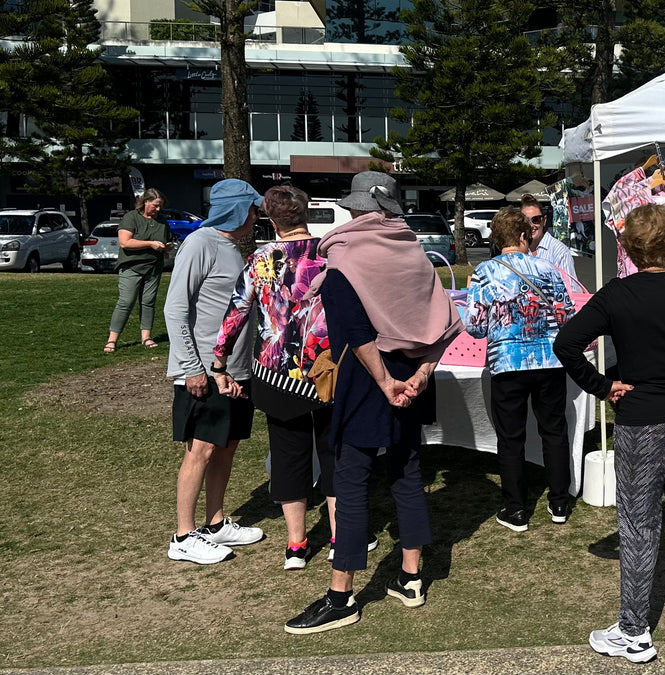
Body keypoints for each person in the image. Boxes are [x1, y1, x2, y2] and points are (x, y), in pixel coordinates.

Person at [554, 204, 665, 665]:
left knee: (638, 527)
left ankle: (635, 632)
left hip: (643, 420)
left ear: (629, 248)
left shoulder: (617, 294)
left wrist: (603, 386)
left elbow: (567, 344)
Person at [284, 171, 463, 634]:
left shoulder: (345, 257)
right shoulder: (414, 252)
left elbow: (356, 332)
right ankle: (411, 577)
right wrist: (422, 373)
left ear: (355, 209)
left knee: (351, 479)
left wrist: (385, 381)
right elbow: (446, 318)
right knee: (406, 472)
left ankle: (341, 596)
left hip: (370, 382)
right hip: (413, 378)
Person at [211, 185, 338, 571]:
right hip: (327, 368)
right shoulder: (330, 255)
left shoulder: (259, 261)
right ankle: (339, 537)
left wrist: (219, 361)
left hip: (276, 372)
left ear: (270, 218)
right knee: (335, 454)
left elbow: (235, 313)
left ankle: (296, 545)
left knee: (287, 455)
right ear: (306, 214)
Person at [163, 179, 265, 564]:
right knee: (201, 450)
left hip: (235, 371)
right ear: (238, 210)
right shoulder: (200, 243)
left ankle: (216, 522)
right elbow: (176, 309)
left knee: (227, 445)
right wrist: (192, 368)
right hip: (203, 371)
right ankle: (183, 536)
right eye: (253, 210)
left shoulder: (231, 248)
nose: (256, 217)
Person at [464, 207, 576, 532]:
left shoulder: (485, 271)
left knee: (511, 438)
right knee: (554, 430)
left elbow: (475, 327)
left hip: (507, 363)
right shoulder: (549, 269)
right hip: (549, 360)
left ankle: (516, 510)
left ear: (496, 240)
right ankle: (558, 502)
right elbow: (566, 316)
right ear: (526, 235)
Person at [104, 188, 174, 353]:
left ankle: (146, 337)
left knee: (148, 303)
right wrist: (150, 244)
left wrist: (166, 248)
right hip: (132, 267)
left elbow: (167, 240)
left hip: (153, 268)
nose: (158, 209)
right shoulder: (131, 218)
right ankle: (112, 340)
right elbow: (125, 243)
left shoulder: (162, 221)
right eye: (155, 206)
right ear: (146, 202)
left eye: (160, 207)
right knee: (126, 302)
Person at [523, 193, 577, 279]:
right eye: (526, 221)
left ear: (544, 221)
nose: (531, 225)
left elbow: (571, 288)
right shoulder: (519, 249)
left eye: (535, 220)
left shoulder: (559, 251)